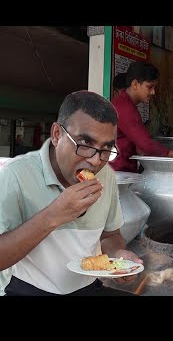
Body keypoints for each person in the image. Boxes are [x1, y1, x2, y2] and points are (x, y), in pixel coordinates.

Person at [0, 91, 142, 296]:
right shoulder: (16, 175)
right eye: (85, 145)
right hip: (28, 290)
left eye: (106, 149)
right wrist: (55, 214)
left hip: (88, 288)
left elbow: (111, 235)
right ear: (57, 135)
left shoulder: (106, 176)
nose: (95, 161)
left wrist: (118, 255)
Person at [109, 61, 173, 173]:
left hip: (119, 169)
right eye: (149, 87)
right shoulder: (125, 108)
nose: (153, 92)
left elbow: (137, 140)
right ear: (135, 84)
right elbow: (146, 143)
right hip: (116, 171)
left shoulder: (125, 103)